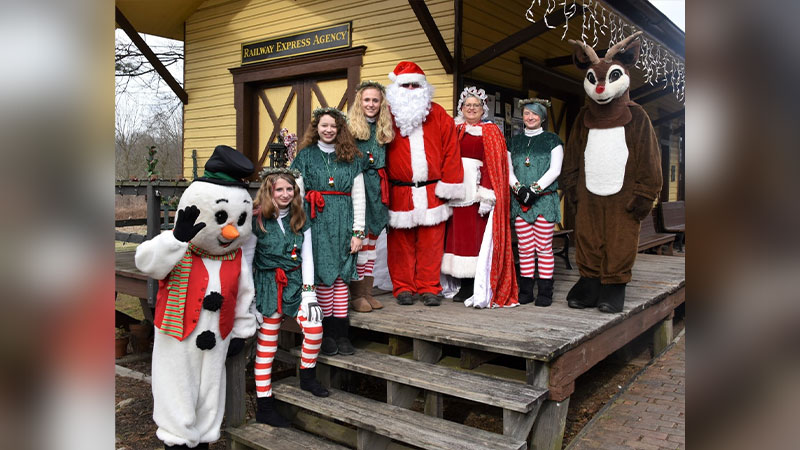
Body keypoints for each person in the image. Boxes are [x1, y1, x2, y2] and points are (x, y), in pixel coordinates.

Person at [134, 145, 257, 450]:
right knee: (177, 390)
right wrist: (175, 237)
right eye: (221, 218)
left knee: (210, 393)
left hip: (218, 338)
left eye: (239, 220)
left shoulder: (236, 257)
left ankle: (203, 440)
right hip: (178, 337)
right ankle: (176, 441)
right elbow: (146, 261)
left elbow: (244, 294)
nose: (230, 232)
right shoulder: (180, 250)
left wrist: (242, 330)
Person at [244, 168, 329, 428]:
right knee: (267, 346)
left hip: (295, 282)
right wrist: (249, 302)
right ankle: (265, 404)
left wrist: (309, 293)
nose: (284, 194)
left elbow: (308, 257)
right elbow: (247, 262)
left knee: (314, 328)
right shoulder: (257, 220)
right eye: (279, 189)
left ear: (295, 192)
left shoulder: (299, 216)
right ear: (269, 191)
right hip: (268, 285)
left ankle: (307, 376)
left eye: (289, 189)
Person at [384, 61, 464, 307]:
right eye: (405, 85)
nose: (410, 89)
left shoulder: (438, 113)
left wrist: (449, 185)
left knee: (431, 243)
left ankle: (429, 287)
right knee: (400, 244)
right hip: (399, 191)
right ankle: (403, 287)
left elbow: (452, 150)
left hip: (432, 190)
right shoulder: (386, 115)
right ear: (396, 88)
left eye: (415, 85)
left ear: (424, 87)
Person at [291, 107, 365, 356]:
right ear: (317, 128)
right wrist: (298, 223)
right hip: (316, 222)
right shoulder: (305, 156)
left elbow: (359, 196)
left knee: (342, 278)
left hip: (344, 223)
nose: (329, 130)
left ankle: (340, 334)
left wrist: (358, 232)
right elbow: (296, 191)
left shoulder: (351, 157)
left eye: (333, 126)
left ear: (340, 129)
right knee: (323, 277)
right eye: (324, 125)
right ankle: (323, 334)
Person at [441, 86, 518, 308]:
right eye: (468, 105)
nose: (471, 109)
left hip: (475, 191)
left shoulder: (490, 131)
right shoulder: (453, 130)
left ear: (483, 109)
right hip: (455, 190)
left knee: (475, 238)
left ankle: (473, 284)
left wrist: (486, 193)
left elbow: (493, 165)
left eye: (476, 105)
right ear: (461, 108)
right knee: (456, 237)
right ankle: (460, 281)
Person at [508, 99, 563, 306]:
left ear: (542, 117)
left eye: (534, 114)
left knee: (543, 247)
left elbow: (555, 170)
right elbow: (508, 170)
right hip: (520, 202)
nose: (530, 117)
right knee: (524, 247)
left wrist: (534, 189)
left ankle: (545, 292)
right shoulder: (513, 142)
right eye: (527, 114)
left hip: (544, 202)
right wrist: (519, 189)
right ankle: (526, 290)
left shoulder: (552, 140)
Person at [347, 80, 394, 312]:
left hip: (377, 187)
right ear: (360, 102)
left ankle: (367, 291)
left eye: (375, 100)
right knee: (361, 240)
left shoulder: (384, 128)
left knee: (373, 241)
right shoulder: (351, 128)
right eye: (367, 100)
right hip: (359, 184)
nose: (371, 104)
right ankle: (356, 294)